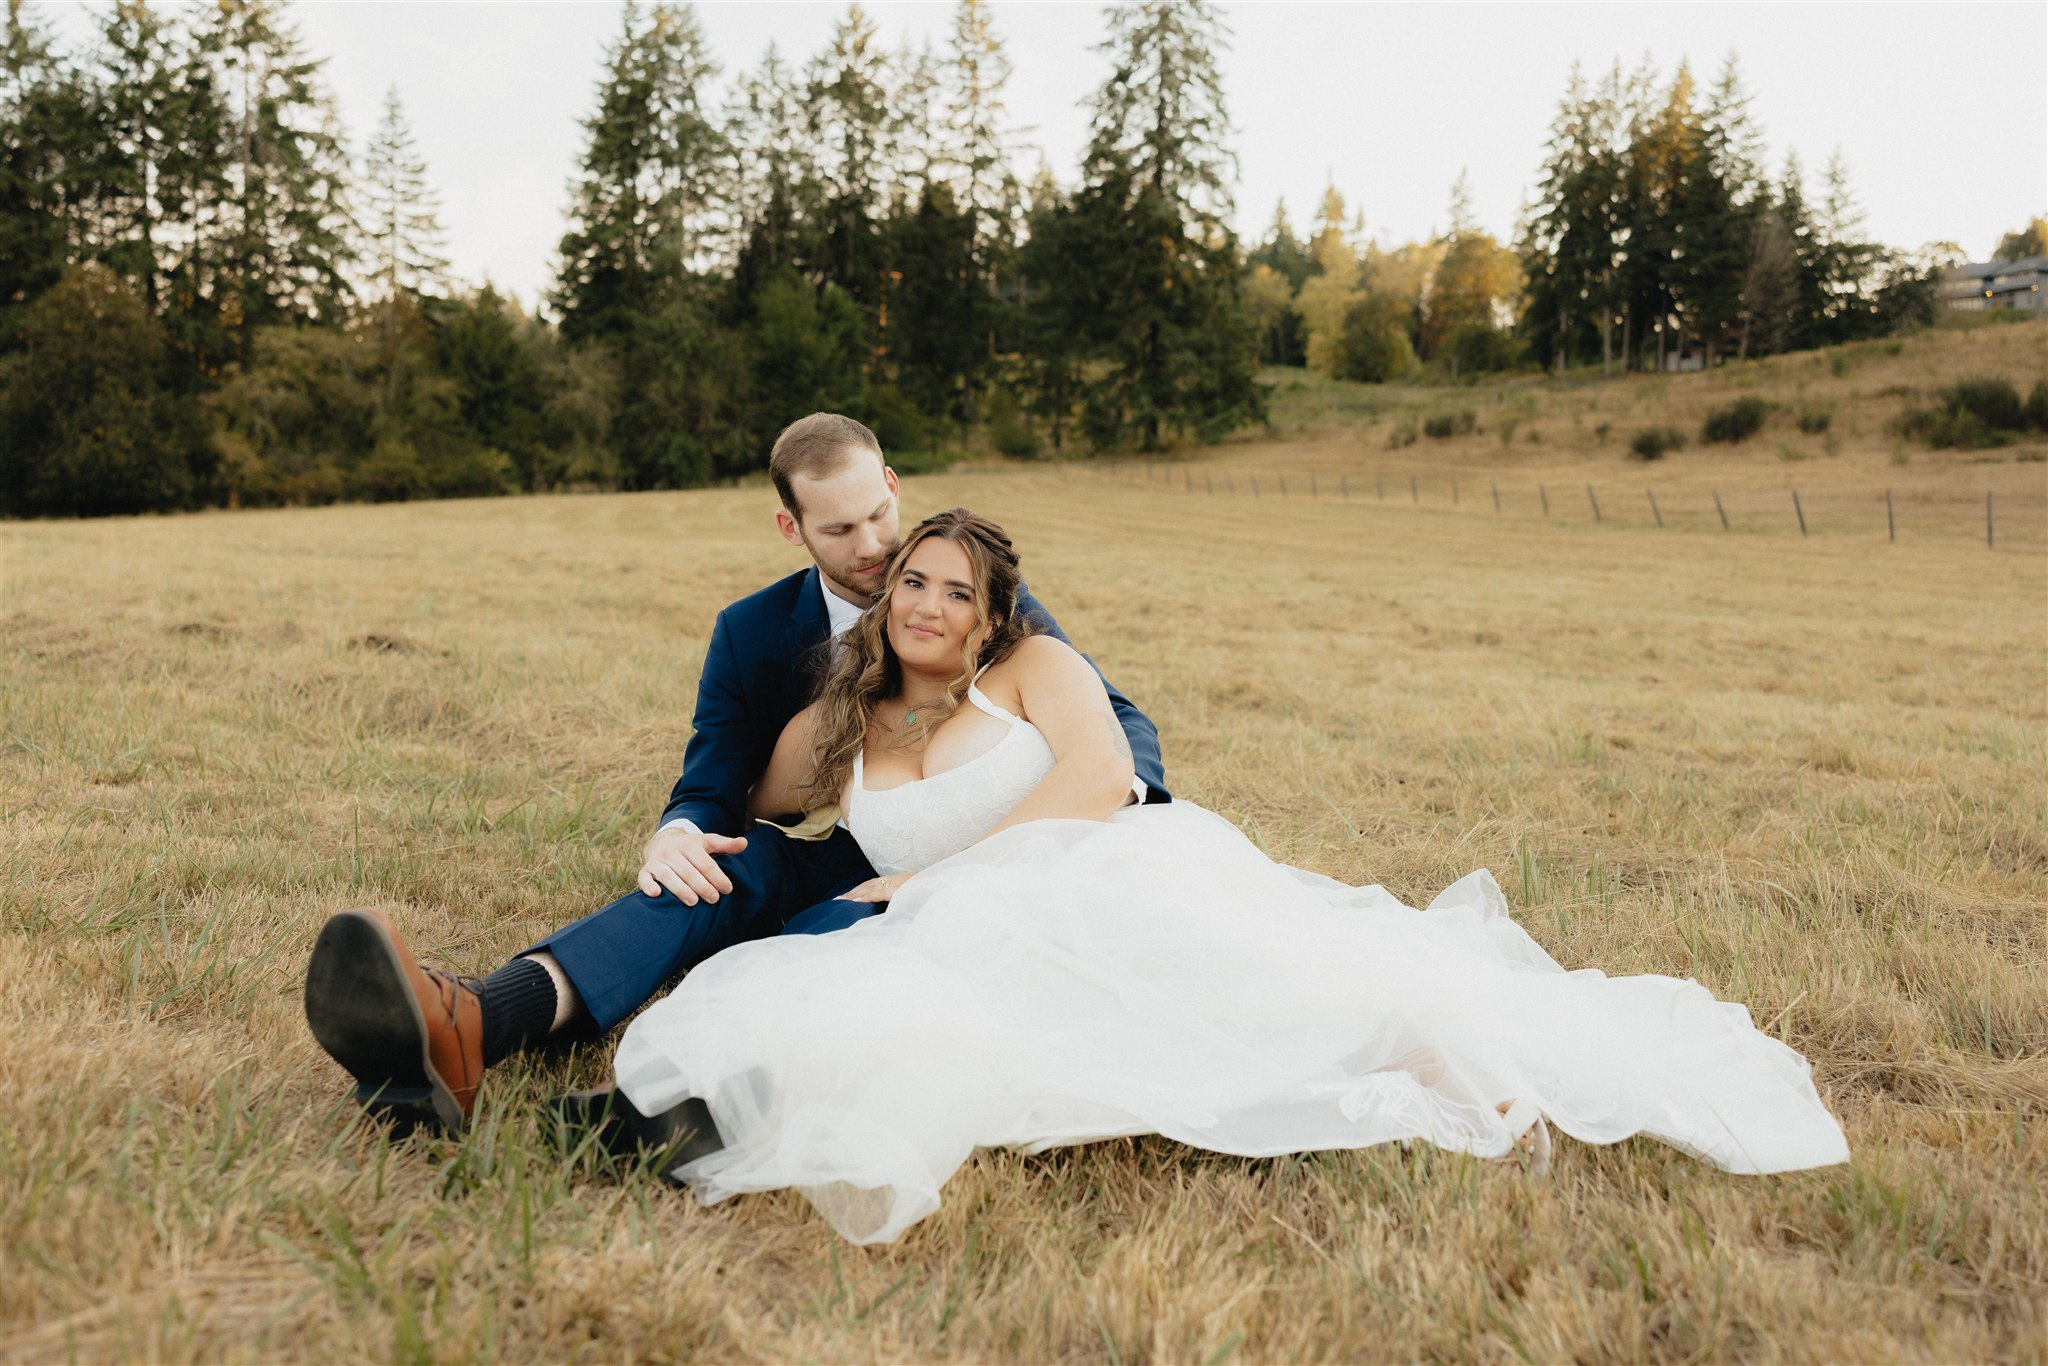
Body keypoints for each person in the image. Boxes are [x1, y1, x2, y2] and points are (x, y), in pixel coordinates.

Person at [600, 508, 1851, 1245]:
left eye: (952, 591)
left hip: (1110, 889)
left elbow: (1095, 784)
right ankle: (637, 1123)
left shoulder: (1033, 669)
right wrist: (832, 676)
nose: (925, 602)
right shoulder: (859, 712)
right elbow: (755, 791)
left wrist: (924, 885)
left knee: (1323, 1012)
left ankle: (1456, 1068)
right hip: (962, 932)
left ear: (991, 614)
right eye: (909, 582)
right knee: (844, 1019)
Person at [302, 416, 1168, 1137]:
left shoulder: (974, 589)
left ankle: (698, 1099)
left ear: (895, 488)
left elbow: (1114, 730)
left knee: (840, 934)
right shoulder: (750, 632)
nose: (873, 551)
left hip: (996, 850)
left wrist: (1092, 846)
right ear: (792, 528)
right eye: (839, 530)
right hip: (859, 841)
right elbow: (721, 777)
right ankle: (476, 1023)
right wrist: (682, 827)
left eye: (879, 517)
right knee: (725, 866)